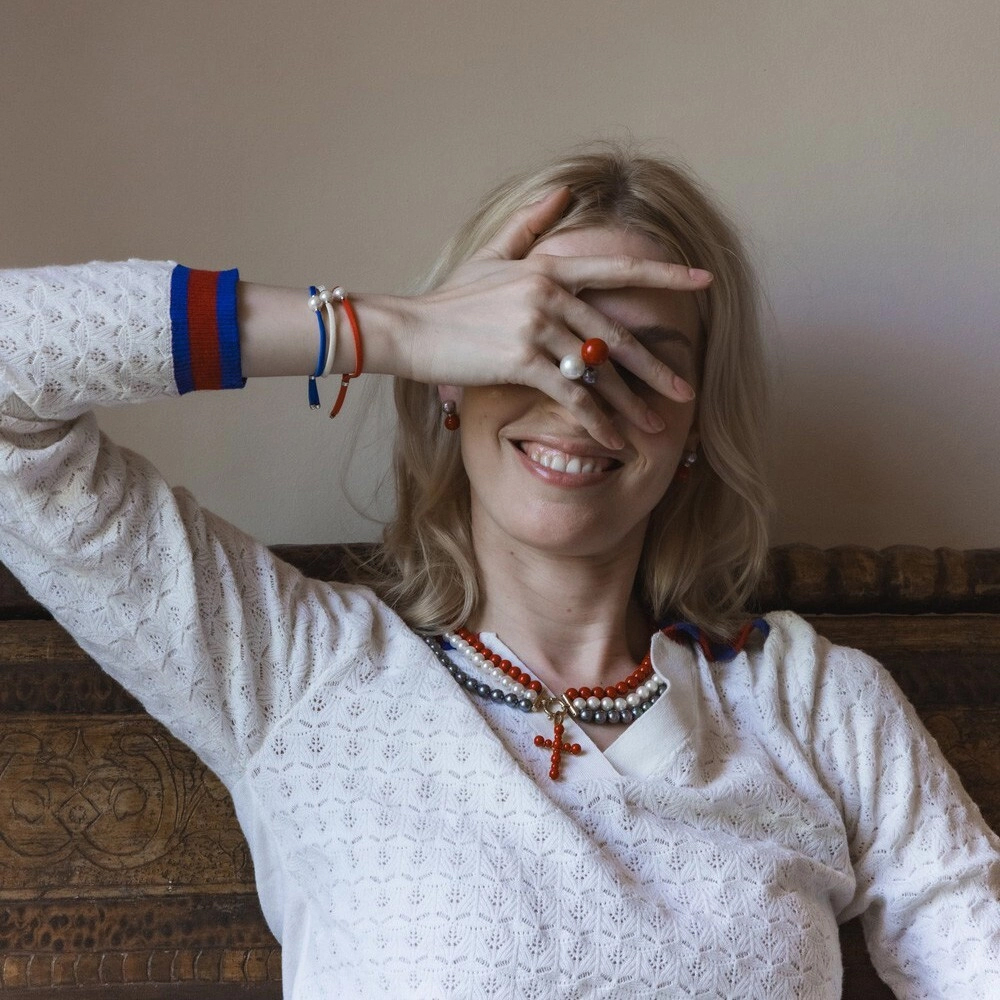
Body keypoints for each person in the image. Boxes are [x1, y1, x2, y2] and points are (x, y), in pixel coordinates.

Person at [0, 147, 997, 999]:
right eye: (533, 341)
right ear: (452, 378)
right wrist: (388, 330)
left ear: (695, 424)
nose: (580, 396)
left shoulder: (818, 706)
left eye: (641, 361)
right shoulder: (290, 671)